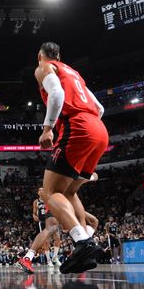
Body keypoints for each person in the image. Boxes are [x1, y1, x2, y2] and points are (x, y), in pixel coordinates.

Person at [35, 41, 108, 274]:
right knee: (70, 191)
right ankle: (87, 241)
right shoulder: (74, 72)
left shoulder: (44, 67)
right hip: (99, 130)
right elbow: (100, 108)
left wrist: (48, 128)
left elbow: (56, 93)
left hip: (77, 128)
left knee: (50, 193)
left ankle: (83, 242)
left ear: (41, 56)